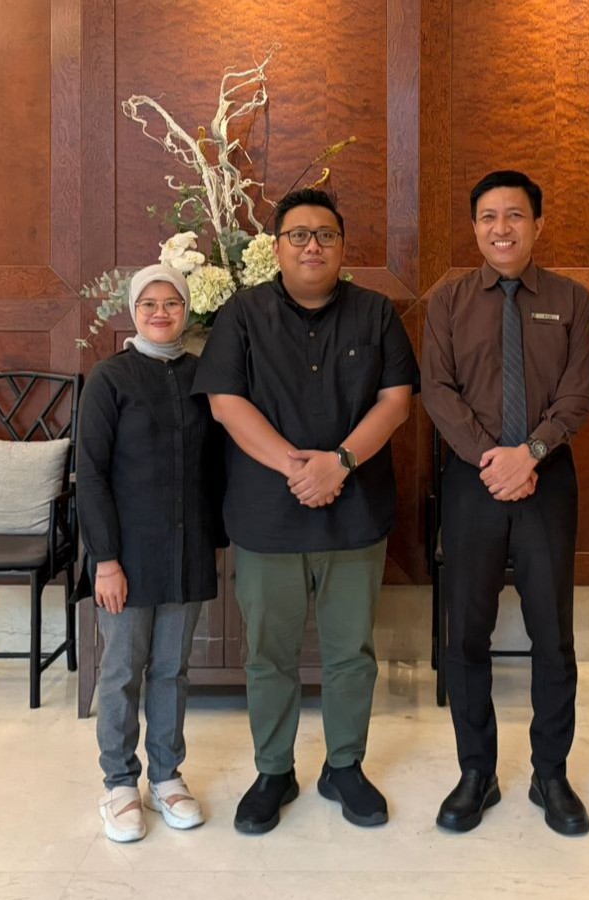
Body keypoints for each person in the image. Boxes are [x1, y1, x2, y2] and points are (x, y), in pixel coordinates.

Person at [192, 188, 418, 834]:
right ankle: (273, 770)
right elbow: (226, 403)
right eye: (298, 235)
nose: (312, 245)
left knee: (352, 653)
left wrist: (338, 464)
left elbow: (397, 401)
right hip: (267, 516)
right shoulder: (241, 314)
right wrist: (299, 468)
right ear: (277, 247)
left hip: (355, 514)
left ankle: (345, 766)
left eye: (325, 234)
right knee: (269, 655)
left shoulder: (375, 312)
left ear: (342, 247)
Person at [421, 170, 589, 835]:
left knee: (553, 633)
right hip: (474, 481)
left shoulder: (571, 299)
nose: (502, 228)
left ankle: (550, 773)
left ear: (538, 224)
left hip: (548, 479)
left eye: (515, 215)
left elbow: (579, 391)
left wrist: (532, 453)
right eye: (489, 217)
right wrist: (492, 459)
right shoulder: (449, 299)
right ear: (475, 227)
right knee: (467, 631)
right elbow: (437, 390)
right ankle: (477, 772)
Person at [77, 264, 227, 843]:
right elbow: (91, 474)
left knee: (171, 670)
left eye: (172, 303)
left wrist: (215, 538)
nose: (160, 313)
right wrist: (105, 560)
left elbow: (215, 465)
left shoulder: (201, 375)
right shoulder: (110, 378)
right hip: (126, 558)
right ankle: (119, 783)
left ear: (186, 310)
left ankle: (166, 776)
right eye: (149, 304)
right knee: (121, 672)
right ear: (133, 311)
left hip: (186, 550)